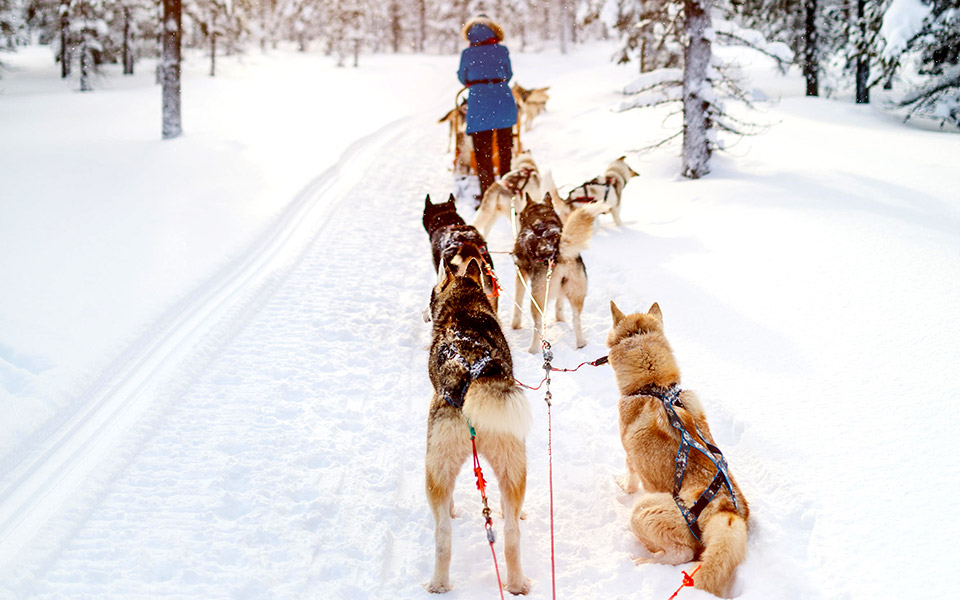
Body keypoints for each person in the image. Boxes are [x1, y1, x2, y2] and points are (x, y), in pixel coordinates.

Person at [457, 15, 517, 205]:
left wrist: (477, 83)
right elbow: (508, 74)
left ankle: (488, 195)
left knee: (483, 154)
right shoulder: (502, 50)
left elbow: (462, 77)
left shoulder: (467, 53)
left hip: (479, 103)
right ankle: (508, 191)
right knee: (505, 150)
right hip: (503, 100)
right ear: (494, 30)